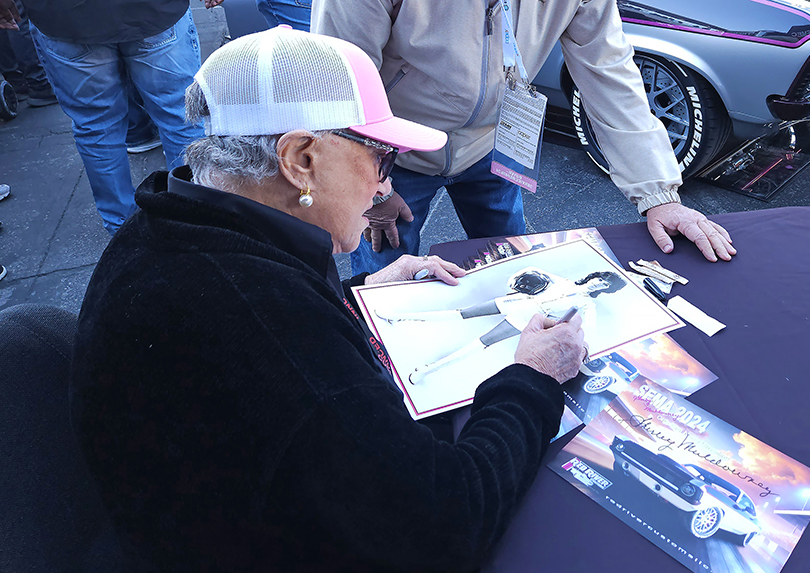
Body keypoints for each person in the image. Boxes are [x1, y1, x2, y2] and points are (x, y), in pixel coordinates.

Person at [71, 28, 586, 571]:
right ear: (300, 160)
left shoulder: (172, 223)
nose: (385, 189)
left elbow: (260, 335)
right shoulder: (265, 321)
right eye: (382, 159)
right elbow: (444, 526)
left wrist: (353, 299)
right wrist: (533, 377)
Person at [312, 0, 737, 276]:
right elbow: (339, 86)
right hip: (394, 156)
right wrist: (373, 186)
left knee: (513, 264)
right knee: (388, 273)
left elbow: (610, 76)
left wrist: (658, 193)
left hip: (494, 142)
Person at [19, 0, 223, 235]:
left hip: (65, 16)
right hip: (152, 11)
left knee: (97, 128)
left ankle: (124, 230)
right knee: (181, 116)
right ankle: (196, 217)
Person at [378, 268, 622, 383]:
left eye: (603, 286)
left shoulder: (588, 306)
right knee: (460, 313)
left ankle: (428, 369)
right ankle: (400, 316)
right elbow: (532, 272)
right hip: (514, 301)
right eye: (598, 280)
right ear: (592, 277)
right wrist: (516, 281)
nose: (596, 285)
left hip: (526, 319)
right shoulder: (566, 280)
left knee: (480, 343)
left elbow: (586, 329)